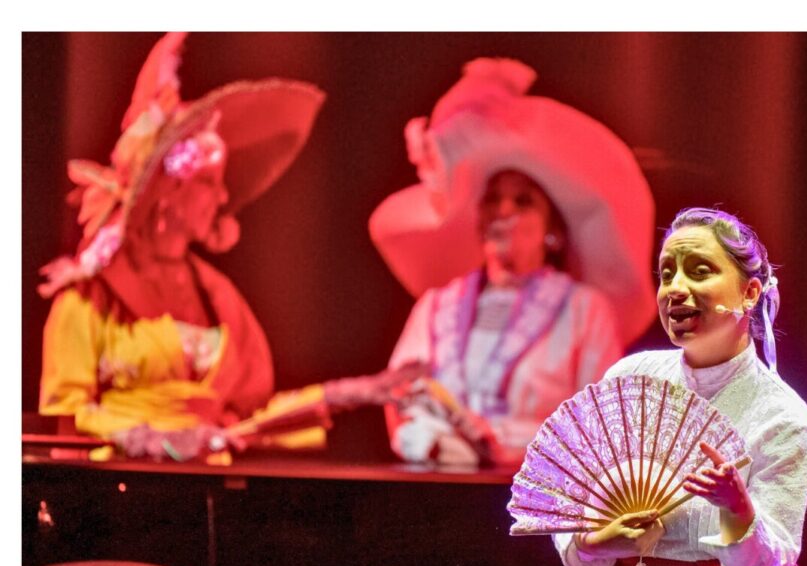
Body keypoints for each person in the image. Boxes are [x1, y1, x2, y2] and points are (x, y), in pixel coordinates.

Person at [37, 32, 346, 461]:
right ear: (167, 191)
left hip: (207, 492)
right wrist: (144, 437)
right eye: (208, 182)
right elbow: (69, 414)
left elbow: (249, 410)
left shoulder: (218, 297)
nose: (222, 198)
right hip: (117, 493)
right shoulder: (92, 297)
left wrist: (338, 395)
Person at [551, 207, 807, 566]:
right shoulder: (628, 381)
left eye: (699, 271)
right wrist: (598, 541)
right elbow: (566, 503)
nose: (675, 289)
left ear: (750, 292)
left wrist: (737, 508)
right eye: (666, 274)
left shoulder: (782, 417)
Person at [369, 58, 656, 466]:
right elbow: (399, 395)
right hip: (432, 491)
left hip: (536, 502)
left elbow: (602, 422)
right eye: (492, 199)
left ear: (551, 230)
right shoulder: (436, 308)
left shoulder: (584, 312)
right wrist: (430, 440)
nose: (502, 211)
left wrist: (498, 442)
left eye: (522, 202)